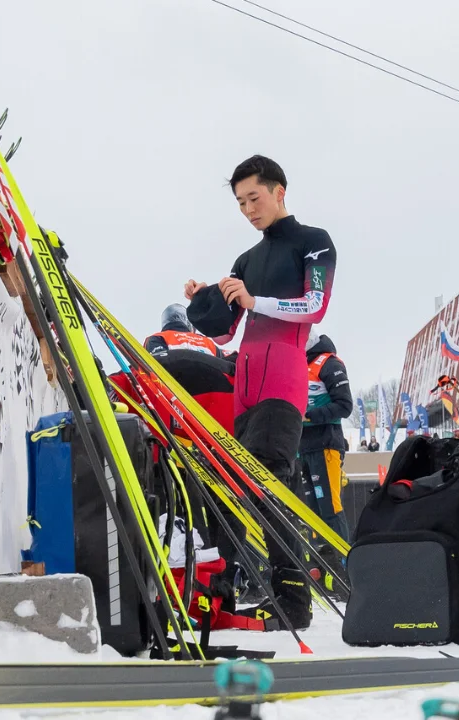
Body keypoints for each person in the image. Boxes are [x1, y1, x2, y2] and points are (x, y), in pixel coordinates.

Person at [183, 155, 337, 630]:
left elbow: (315, 305)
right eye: (240, 203)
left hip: (282, 381)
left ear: (279, 192)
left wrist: (256, 301)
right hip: (245, 386)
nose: (248, 210)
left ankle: (283, 598)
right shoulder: (246, 260)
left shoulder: (313, 241)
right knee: (241, 487)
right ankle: (228, 594)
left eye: (254, 198)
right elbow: (225, 332)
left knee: (260, 485)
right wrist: (203, 299)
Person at [299, 329, 354, 595]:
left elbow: (345, 405)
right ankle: (322, 569)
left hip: (326, 444)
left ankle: (345, 570)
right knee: (312, 512)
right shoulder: (298, 364)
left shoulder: (329, 363)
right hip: (303, 447)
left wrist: (310, 416)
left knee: (330, 509)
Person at [144, 303, 223, 358]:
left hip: (173, 376)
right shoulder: (207, 342)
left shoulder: (158, 337)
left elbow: (157, 362)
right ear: (188, 322)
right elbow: (226, 361)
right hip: (208, 376)